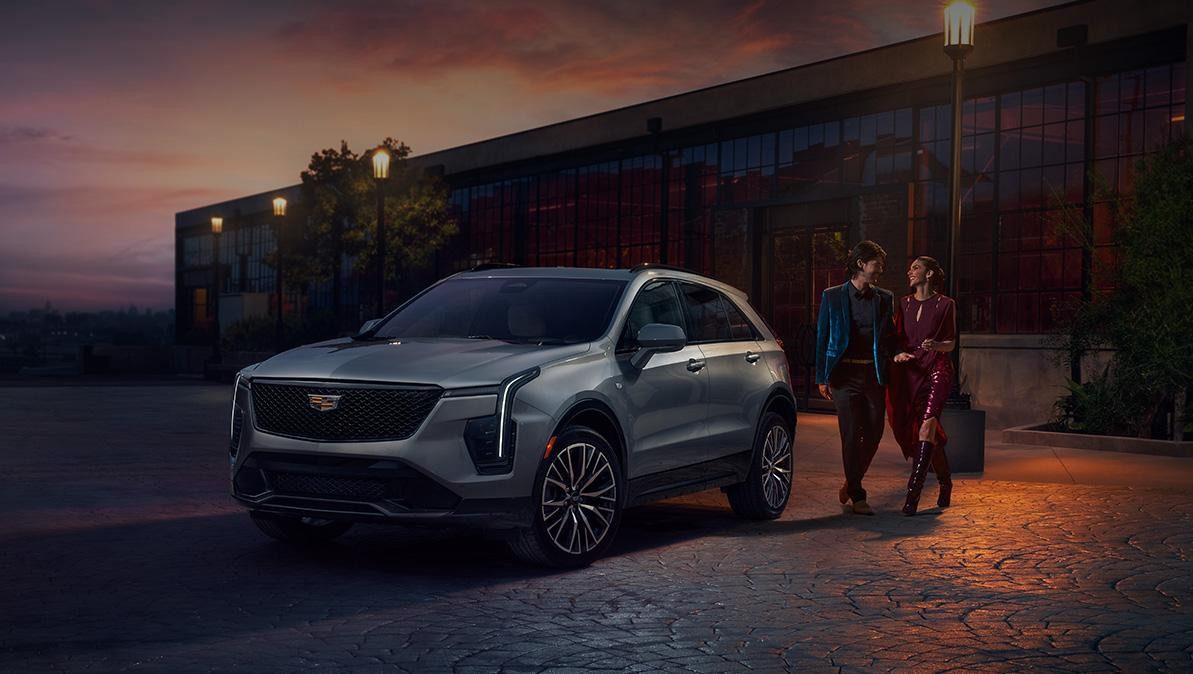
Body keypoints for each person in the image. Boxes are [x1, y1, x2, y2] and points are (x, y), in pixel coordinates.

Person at [815, 240, 896, 516]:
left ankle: (850, 482)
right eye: (877, 263)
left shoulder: (885, 298)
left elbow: (890, 337)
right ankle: (858, 495)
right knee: (850, 435)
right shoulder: (832, 296)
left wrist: (897, 354)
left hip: (872, 374)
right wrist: (822, 376)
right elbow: (822, 337)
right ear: (862, 264)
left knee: (874, 433)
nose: (881, 269)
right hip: (843, 376)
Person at [887, 256, 956, 516]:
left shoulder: (946, 304)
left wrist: (937, 346)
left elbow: (951, 343)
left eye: (916, 268)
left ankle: (912, 496)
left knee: (927, 427)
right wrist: (896, 355)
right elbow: (895, 339)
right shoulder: (903, 304)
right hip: (911, 372)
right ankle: (945, 482)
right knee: (930, 435)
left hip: (937, 370)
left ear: (929, 274)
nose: (910, 272)